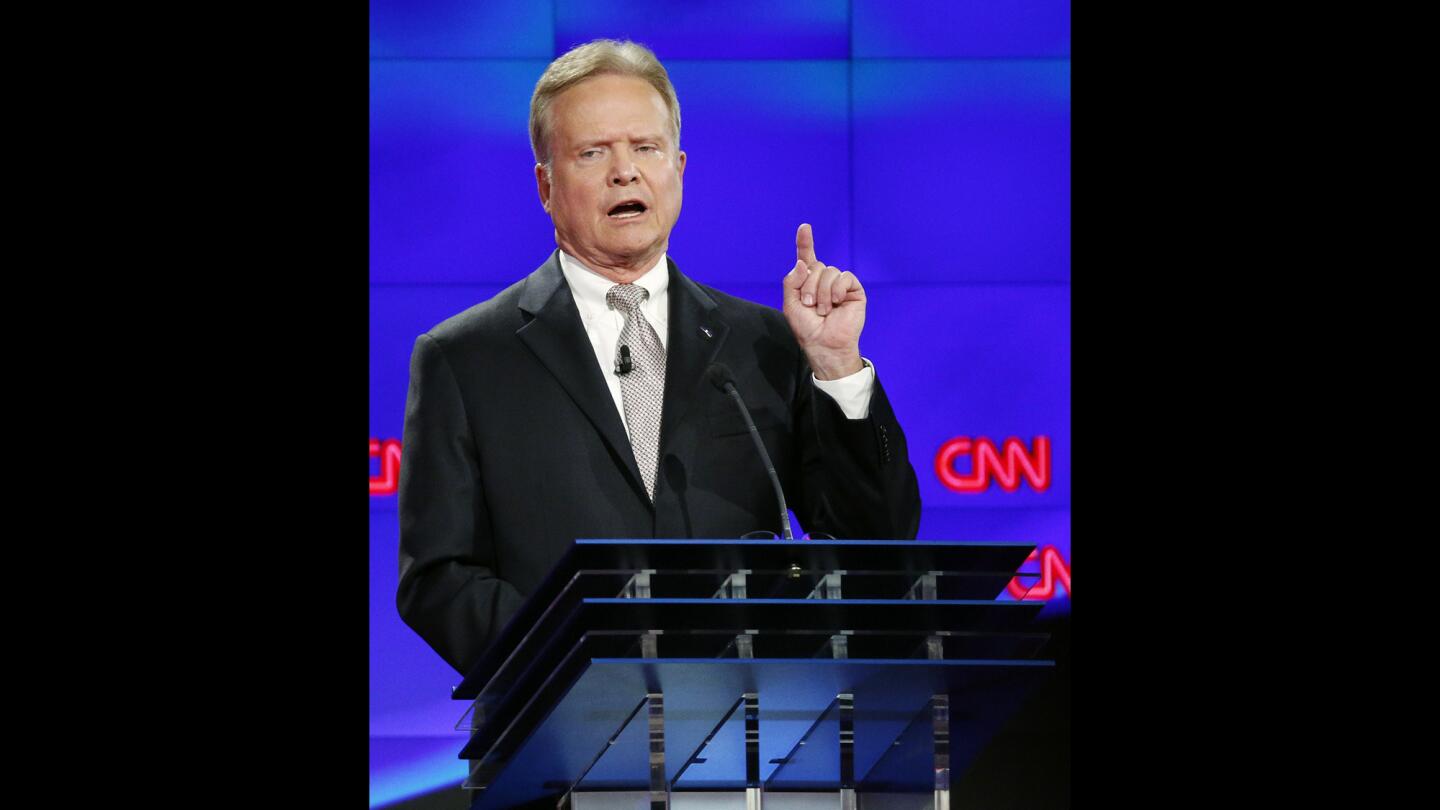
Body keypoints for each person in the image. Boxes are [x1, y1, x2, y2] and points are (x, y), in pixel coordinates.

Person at [397, 39, 921, 675]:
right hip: (559, 740)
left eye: (645, 148)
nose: (625, 172)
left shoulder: (765, 343)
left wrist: (837, 366)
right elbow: (439, 579)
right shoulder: (464, 358)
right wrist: (583, 657)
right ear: (546, 184)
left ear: (678, 168)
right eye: (593, 153)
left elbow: (875, 542)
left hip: (755, 737)